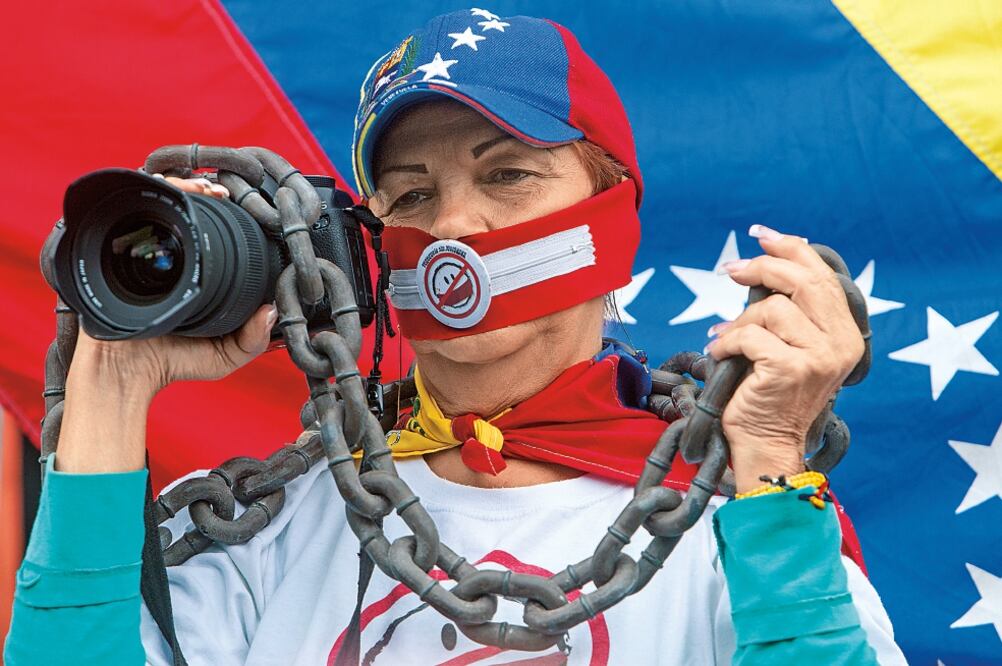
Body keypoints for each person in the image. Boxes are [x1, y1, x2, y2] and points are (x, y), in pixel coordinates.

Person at [5, 9, 906, 665]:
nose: (455, 228)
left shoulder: (734, 520)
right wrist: (109, 386)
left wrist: (773, 457)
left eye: (507, 175)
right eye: (411, 193)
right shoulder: (256, 539)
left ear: (609, 223)